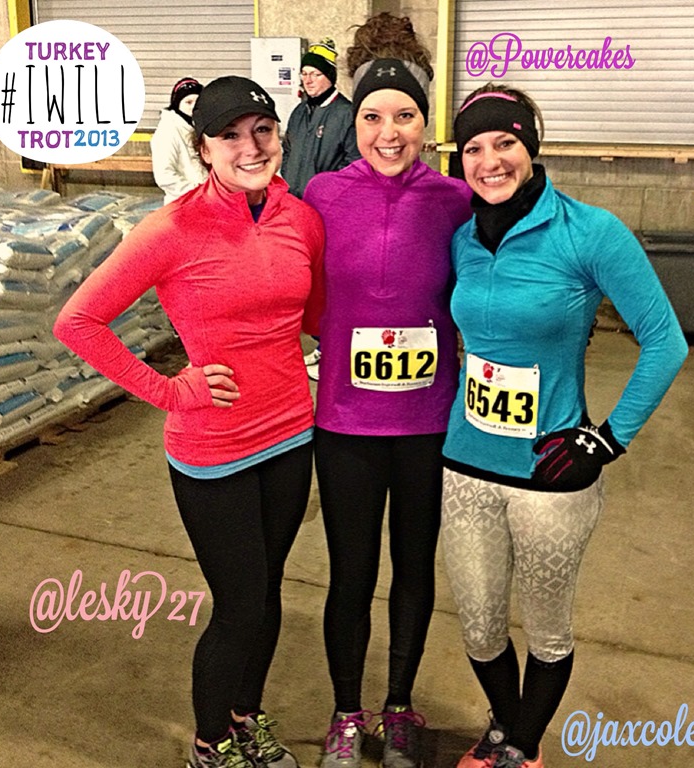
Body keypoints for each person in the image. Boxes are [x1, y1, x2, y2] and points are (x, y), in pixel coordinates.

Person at [53, 76, 325, 768]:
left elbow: (320, 316)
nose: (249, 147)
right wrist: (170, 390)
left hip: (291, 434)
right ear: (203, 148)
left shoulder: (301, 220)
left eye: (261, 131)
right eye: (229, 136)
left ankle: (244, 717)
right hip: (214, 448)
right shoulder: (171, 229)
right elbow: (77, 322)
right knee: (239, 606)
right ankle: (210, 744)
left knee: (268, 594)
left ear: (280, 137)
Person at [440, 83, 689, 768]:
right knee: (480, 625)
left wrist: (607, 440)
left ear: (531, 147)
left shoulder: (590, 232)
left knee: (547, 630)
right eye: (474, 148)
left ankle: (522, 748)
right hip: (465, 465)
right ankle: (503, 726)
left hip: (551, 474)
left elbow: (665, 341)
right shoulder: (462, 238)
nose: (490, 161)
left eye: (506, 143)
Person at [302, 13, 472, 768]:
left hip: (428, 423)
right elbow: (295, 287)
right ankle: (347, 711)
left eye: (405, 116)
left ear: (426, 124)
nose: (389, 132)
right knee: (351, 573)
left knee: (413, 569)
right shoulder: (321, 194)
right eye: (373, 116)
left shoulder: (456, 200)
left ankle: (399, 706)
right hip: (344, 422)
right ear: (355, 119)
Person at [281, 37, 360, 381]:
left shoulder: (346, 114)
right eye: (304, 74)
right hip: (297, 210)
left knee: (330, 284)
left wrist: (329, 192)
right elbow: (287, 152)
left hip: (330, 215)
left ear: (330, 76)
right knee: (307, 283)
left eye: (315, 74)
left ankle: (334, 347)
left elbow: (354, 163)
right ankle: (320, 341)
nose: (308, 80)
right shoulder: (300, 113)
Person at [151, 76, 208, 204]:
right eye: (188, 102)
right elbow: (164, 175)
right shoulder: (168, 131)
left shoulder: (197, 126)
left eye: (197, 102)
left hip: (204, 201)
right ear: (177, 104)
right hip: (183, 203)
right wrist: (196, 193)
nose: (193, 107)